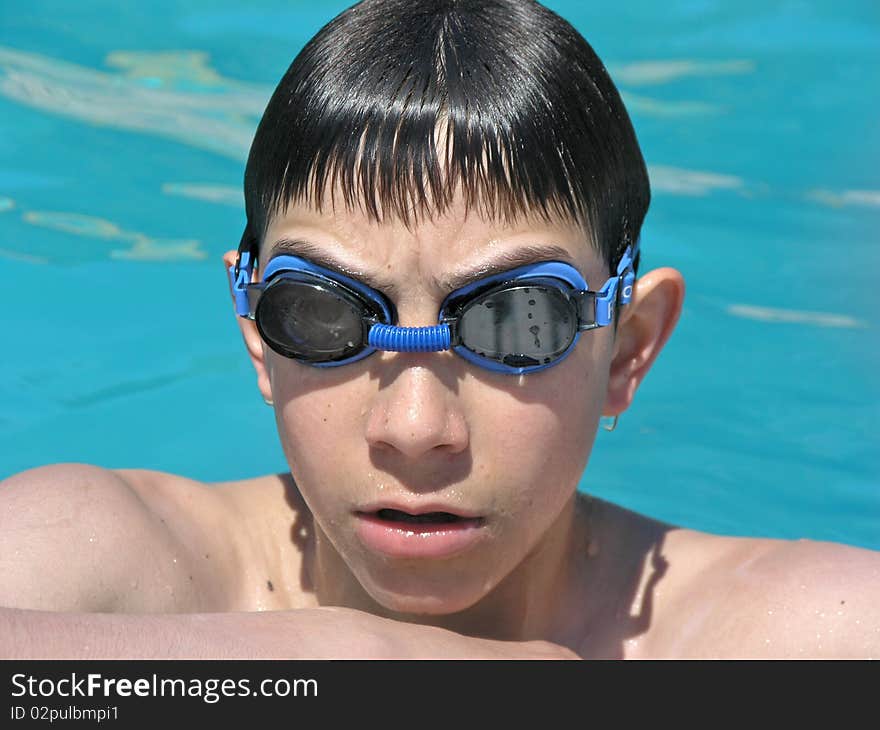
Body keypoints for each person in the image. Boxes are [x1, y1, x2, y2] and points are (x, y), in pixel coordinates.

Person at [1, 0, 877, 660]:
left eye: (517, 319)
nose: (414, 430)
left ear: (631, 347)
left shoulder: (787, 633)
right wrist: (360, 658)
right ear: (259, 337)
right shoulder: (105, 557)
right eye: (325, 313)